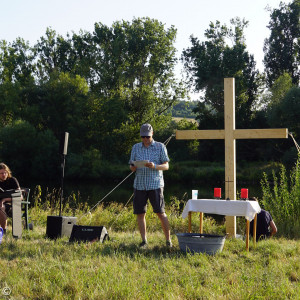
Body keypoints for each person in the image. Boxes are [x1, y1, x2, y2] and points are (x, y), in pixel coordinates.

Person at [129, 123, 172, 248]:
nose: (145, 139)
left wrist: (155, 166)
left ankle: (168, 241)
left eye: (147, 137)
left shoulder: (160, 146)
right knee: (140, 213)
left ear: (152, 134)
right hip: (139, 185)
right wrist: (134, 167)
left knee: (160, 212)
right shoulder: (136, 147)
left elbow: (166, 166)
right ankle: (144, 241)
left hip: (155, 184)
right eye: (143, 137)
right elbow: (131, 166)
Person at [0, 163, 21, 234]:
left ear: (7, 172)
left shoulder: (12, 180)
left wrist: (5, 200)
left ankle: (3, 231)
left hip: (13, 206)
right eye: (1, 173)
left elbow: (20, 197)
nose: (4, 175)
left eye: (5, 173)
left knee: (1, 208)